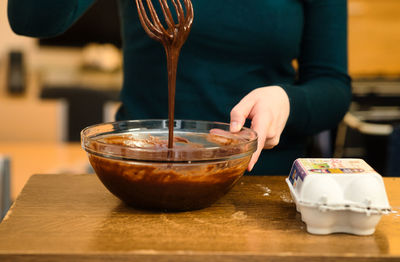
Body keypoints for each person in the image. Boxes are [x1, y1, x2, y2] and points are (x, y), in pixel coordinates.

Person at [7, 0, 351, 175]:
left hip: (264, 188)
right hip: (140, 178)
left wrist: (287, 100)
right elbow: (30, 18)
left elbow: (332, 86)